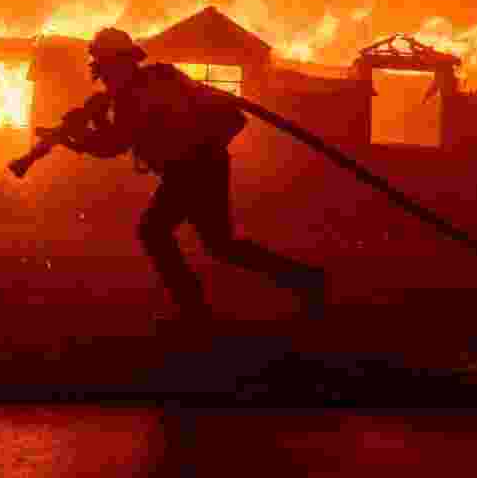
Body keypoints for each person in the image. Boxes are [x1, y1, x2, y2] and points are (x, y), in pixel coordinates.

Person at [46, 27, 327, 323]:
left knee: (155, 231)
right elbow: (120, 138)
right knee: (220, 244)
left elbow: (112, 145)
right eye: (102, 71)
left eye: (106, 69)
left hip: (193, 167)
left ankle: (194, 309)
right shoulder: (149, 83)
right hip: (201, 165)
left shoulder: (140, 93)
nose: (104, 77)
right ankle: (305, 280)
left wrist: (78, 136)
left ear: (121, 65)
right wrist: (90, 126)